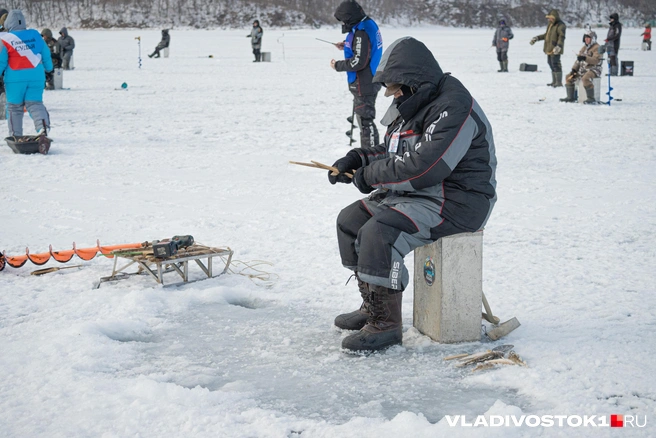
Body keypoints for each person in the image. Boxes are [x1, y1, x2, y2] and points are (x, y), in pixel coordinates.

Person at [328, 37, 497, 352]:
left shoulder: (454, 106)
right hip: (417, 193)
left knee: (381, 233)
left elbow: (425, 166)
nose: (394, 94)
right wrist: (358, 159)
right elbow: (395, 150)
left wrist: (371, 176)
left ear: (414, 81)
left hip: (456, 200)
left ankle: (386, 325)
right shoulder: (414, 101)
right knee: (350, 221)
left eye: (395, 88)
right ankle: (374, 304)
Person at [330, 0, 383, 148]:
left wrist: (337, 65)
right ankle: (369, 156)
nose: (343, 23)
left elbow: (358, 62)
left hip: (365, 83)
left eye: (344, 20)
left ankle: (371, 156)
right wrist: (347, 44)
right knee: (364, 120)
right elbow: (365, 47)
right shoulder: (367, 23)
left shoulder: (361, 32)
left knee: (366, 122)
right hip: (369, 79)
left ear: (350, 17)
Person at [0, 10, 53, 153]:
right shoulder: (35, 35)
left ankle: (16, 136)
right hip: (36, 77)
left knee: (14, 108)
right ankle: (43, 130)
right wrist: (49, 67)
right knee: (35, 104)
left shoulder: (6, 39)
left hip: (15, 79)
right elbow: (46, 53)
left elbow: (1, 61)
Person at [560, 30, 602, 104]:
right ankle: (570, 97)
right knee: (569, 77)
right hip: (583, 69)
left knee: (586, 78)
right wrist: (574, 69)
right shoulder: (584, 48)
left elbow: (596, 60)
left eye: (588, 38)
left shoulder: (597, 48)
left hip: (594, 69)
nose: (586, 39)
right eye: (585, 37)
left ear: (593, 39)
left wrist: (585, 58)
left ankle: (590, 98)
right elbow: (578, 61)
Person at [530, 9, 566, 87]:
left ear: (554, 17)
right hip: (549, 48)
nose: (549, 19)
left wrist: (559, 46)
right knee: (550, 63)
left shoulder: (560, 25)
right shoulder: (550, 24)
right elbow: (546, 35)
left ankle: (558, 82)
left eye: (550, 18)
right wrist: (537, 38)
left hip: (556, 48)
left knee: (556, 64)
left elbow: (561, 37)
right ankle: (554, 81)